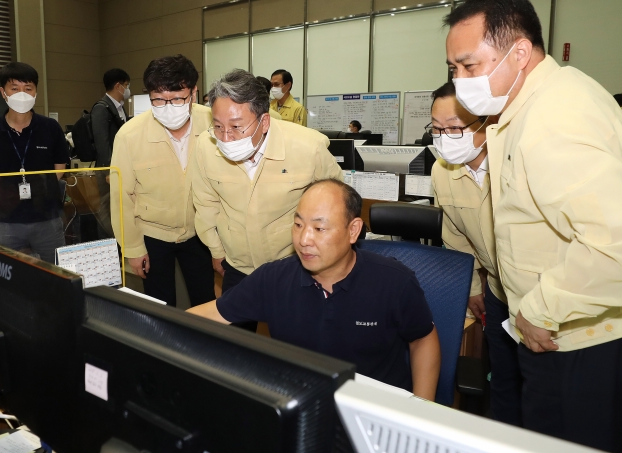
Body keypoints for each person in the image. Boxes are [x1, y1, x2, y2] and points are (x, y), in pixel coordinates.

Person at [445, 1, 622, 450]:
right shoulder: (525, 106)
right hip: (549, 325)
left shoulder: (553, 119)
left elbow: (613, 243)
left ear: (519, 53)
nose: (459, 82)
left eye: (469, 66)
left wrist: (540, 311)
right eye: (453, 68)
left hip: (573, 335)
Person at [188, 179, 441, 399]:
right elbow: (212, 315)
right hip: (305, 405)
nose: (304, 239)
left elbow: (423, 338)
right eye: (298, 225)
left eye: (319, 228)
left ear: (353, 231)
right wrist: (154, 328)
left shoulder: (393, 281)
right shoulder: (274, 278)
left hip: (373, 412)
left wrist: (422, 412)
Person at [190, 69, 343, 330]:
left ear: (264, 121)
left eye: (237, 127)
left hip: (295, 266)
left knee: (295, 346)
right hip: (237, 266)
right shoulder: (206, 146)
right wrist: (216, 250)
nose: (226, 138)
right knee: (237, 348)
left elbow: (338, 204)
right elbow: (206, 203)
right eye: (218, 126)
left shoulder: (308, 147)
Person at [428, 82, 521, 426]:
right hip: (497, 292)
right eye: (437, 129)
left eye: (454, 128)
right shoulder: (443, 171)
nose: (444, 138)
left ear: (487, 122)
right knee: (503, 378)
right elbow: (455, 236)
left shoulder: (516, 161)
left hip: (540, 293)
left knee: (545, 386)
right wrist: (473, 289)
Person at [110, 55, 215, 308]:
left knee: (205, 300)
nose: (168, 106)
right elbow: (121, 196)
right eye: (158, 99)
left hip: (201, 232)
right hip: (152, 234)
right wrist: (132, 248)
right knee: (159, 306)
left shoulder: (215, 123)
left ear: (193, 92)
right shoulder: (130, 134)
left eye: (177, 98)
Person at [0, 62, 68, 264]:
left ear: (35, 92)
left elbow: (60, 166)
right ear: (3, 92)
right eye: (14, 89)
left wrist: (41, 188)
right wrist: (9, 191)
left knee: (57, 274)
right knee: (10, 276)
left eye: (28, 88)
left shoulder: (50, 127)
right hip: (8, 220)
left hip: (47, 217)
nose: (22, 94)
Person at [91, 68, 130, 238]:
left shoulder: (119, 108)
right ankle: (108, 250)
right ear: (118, 86)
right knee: (107, 212)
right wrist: (108, 170)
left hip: (120, 168)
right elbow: (102, 142)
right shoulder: (101, 108)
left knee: (120, 211)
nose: (128, 90)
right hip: (108, 170)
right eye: (127, 85)